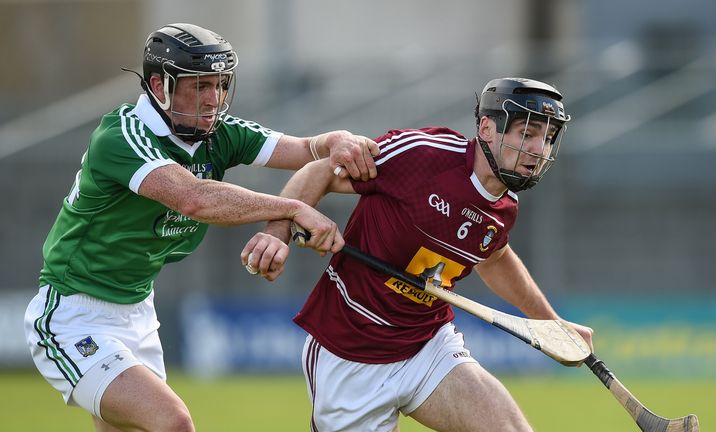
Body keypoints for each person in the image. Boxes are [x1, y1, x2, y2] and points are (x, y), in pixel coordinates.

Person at [23, 23, 379, 432]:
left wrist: (333, 140)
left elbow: (302, 149)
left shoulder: (218, 134)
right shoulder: (123, 135)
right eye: (199, 86)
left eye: (220, 85)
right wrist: (295, 209)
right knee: (173, 422)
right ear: (159, 85)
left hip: (138, 311)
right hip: (73, 314)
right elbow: (193, 197)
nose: (214, 100)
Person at [248, 77, 595, 431]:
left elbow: (493, 257)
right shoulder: (421, 155)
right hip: (350, 352)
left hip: (428, 347)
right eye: (528, 133)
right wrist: (278, 233)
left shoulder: (505, 205)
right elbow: (318, 171)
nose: (539, 149)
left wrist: (551, 324)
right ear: (488, 128)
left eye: (549, 138)